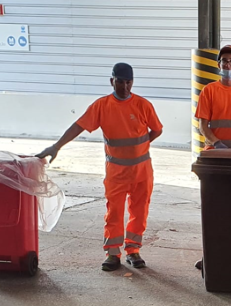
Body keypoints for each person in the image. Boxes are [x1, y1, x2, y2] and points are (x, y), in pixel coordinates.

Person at [38, 63, 163, 271]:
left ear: (132, 82)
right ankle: (113, 253)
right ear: (111, 81)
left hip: (142, 172)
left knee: (139, 212)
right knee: (114, 213)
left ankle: (133, 250)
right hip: (116, 174)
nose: (124, 86)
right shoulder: (102, 106)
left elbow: (157, 130)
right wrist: (56, 146)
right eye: (120, 81)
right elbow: (79, 126)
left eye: (128, 82)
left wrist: (140, 148)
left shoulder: (143, 105)